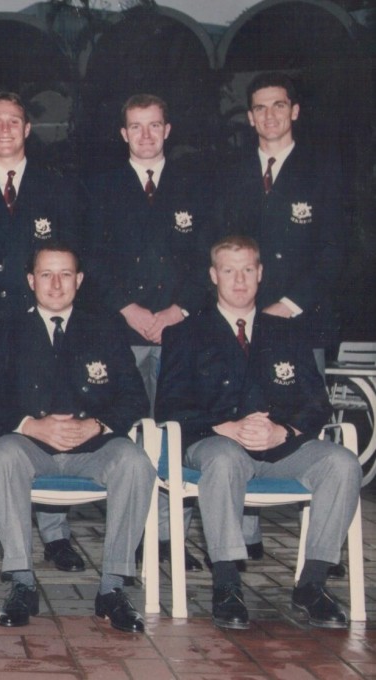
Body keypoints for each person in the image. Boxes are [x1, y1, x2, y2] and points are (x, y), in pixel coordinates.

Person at [156, 235, 361, 630]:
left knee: (342, 462)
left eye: (248, 269)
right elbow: (169, 405)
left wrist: (284, 431)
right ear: (213, 275)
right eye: (229, 270)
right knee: (224, 456)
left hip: (280, 447)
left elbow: (317, 403)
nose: (239, 280)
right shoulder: (186, 333)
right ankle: (228, 583)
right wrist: (223, 427)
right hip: (213, 443)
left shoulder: (287, 332)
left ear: (261, 273)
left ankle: (312, 584)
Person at [0, 242, 154, 632]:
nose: (56, 284)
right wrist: (30, 425)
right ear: (30, 280)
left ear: (80, 280)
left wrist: (96, 425)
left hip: (93, 446)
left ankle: (113, 588)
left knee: (136, 463)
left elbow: (134, 397)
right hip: (30, 445)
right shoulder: (5, 328)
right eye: (46, 274)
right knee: (2, 454)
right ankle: (21, 582)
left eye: (65, 274)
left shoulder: (105, 327)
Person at [0, 90, 86, 571]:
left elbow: (65, 266)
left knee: (52, 428)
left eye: (14, 121)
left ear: (28, 130)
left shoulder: (57, 189)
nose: (5, 129)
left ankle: (55, 535)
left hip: (45, 336)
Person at [215, 72, 347, 563]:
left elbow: (336, 252)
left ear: (294, 111)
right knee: (241, 417)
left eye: (278, 106)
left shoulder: (322, 170)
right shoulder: (232, 172)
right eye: (259, 108)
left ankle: (319, 553)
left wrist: (287, 304)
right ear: (250, 118)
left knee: (298, 424)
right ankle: (245, 538)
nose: (269, 115)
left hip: (299, 323)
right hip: (239, 322)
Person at [86, 93, 211, 573]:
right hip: (122, 332)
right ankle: (130, 537)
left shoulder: (195, 187)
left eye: (154, 125)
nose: (145, 135)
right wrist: (128, 307)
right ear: (123, 134)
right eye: (136, 126)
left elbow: (209, 258)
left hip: (180, 333)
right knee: (130, 437)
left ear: (167, 129)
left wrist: (178, 310)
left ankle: (166, 539)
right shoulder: (100, 188)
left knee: (174, 434)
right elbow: (90, 258)